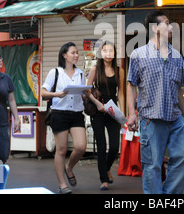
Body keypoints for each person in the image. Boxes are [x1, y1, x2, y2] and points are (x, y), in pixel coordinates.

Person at [126, 10, 184, 194]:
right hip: (151, 119)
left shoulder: (177, 56)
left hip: (175, 117)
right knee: (152, 166)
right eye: (167, 23)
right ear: (155, 28)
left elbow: (180, 89)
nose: (171, 27)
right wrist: (132, 114)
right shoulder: (139, 55)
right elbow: (131, 85)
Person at [41, 42, 87, 194]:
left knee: (80, 147)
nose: (76, 55)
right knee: (61, 150)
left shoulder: (80, 73)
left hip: (77, 114)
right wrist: (56, 94)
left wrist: (90, 95)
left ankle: (69, 167)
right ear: (64, 55)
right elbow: (43, 93)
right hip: (59, 113)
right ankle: (62, 184)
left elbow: (85, 92)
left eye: (77, 53)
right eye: (73, 53)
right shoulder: (55, 72)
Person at [85, 41, 125, 190]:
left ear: (114, 53)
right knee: (101, 147)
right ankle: (104, 179)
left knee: (114, 146)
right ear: (101, 53)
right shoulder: (95, 69)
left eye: (111, 51)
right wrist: (97, 104)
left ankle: (107, 168)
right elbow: (87, 91)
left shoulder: (119, 70)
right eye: (105, 51)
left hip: (112, 109)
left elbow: (120, 92)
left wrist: (122, 112)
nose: (108, 54)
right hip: (98, 109)